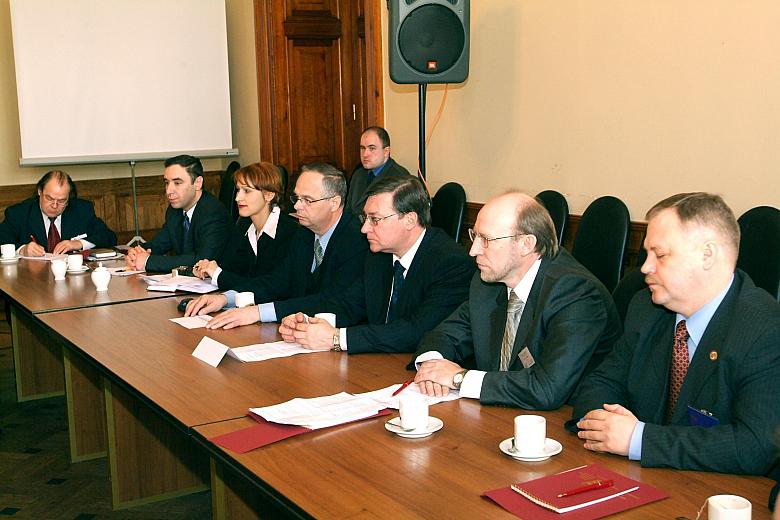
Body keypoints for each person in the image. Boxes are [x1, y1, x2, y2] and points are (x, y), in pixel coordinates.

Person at [573, 192, 780, 476]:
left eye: (659, 255)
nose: (645, 267)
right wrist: (609, 425)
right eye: (646, 254)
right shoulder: (645, 307)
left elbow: (754, 446)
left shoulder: (764, 328)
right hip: (638, 479)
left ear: (707, 254)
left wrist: (639, 440)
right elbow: (599, 383)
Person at [413, 192, 621, 410]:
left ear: (526, 244)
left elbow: (547, 388)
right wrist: (432, 367)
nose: (473, 251)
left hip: (566, 424)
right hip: (501, 414)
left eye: (486, 240)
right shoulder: (489, 281)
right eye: (474, 236)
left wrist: (460, 379)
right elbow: (445, 334)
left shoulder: (576, 293)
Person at [278, 175, 475, 354]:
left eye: (375, 219)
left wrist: (337, 338)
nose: (364, 229)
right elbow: (348, 304)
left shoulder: (451, 263)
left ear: (409, 220)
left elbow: (417, 331)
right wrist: (305, 322)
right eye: (365, 218)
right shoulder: (378, 256)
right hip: (379, 363)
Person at [184, 163, 368, 326]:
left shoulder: (356, 240)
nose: (297, 207)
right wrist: (226, 298)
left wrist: (258, 312)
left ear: (334, 203)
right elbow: (278, 281)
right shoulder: (305, 233)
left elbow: (330, 300)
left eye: (308, 200)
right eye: (296, 199)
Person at [191, 162, 298, 289]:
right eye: (238, 190)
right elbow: (233, 269)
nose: (238, 198)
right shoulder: (244, 225)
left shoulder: (290, 232)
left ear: (269, 195)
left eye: (247, 191)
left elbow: (269, 286)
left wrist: (218, 274)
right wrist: (209, 269)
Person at [125, 155, 231, 272]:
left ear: (197, 183)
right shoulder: (174, 210)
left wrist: (147, 261)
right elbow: (159, 244)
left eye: (177, 183)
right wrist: (137, 253)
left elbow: (202, 260)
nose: (169, 191)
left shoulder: (214, 213)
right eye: (167, 183)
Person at [0, 170, 116, 255]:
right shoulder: (19, 213)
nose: (55, 206)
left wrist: (79, 243)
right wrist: (22, 249)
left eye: (61, 201)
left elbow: (109, 237)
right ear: (40, 191)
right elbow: (2, 240)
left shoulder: (81, 210)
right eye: (49, 198)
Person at [345, 126, 412, 215]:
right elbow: (348, 210)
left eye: (372, 148)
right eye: (362, 148)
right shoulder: (358, 174)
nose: (365, 154)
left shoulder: (400, 178)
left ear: (386, 151)